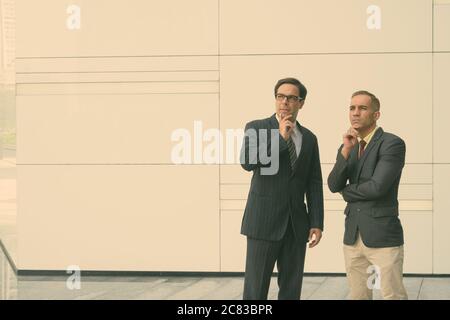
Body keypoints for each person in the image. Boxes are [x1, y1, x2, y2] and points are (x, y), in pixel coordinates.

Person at [240, 77, 324, 300]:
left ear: (301, 103)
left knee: (291, 290)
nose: (284, 102)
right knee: (255, 290)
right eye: (280, 96)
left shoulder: (309, 138)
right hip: (263, 222)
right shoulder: (257, 127)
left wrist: (316, 222)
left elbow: (313, 182)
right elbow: (247, 161)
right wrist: (280, 137)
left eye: (291, 98)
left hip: (296, 225)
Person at [327, 90, 408, 300]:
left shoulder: (392, 143)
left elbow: (377, 187)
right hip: (353, 234)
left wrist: (347, 191)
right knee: (358, 295)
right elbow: (333, 184)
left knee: (392, 295)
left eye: (362, 108)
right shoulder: (349, 145)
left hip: (383, 234)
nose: (355, 113)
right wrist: (345, 149)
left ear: (376, 114)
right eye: (352, 108)